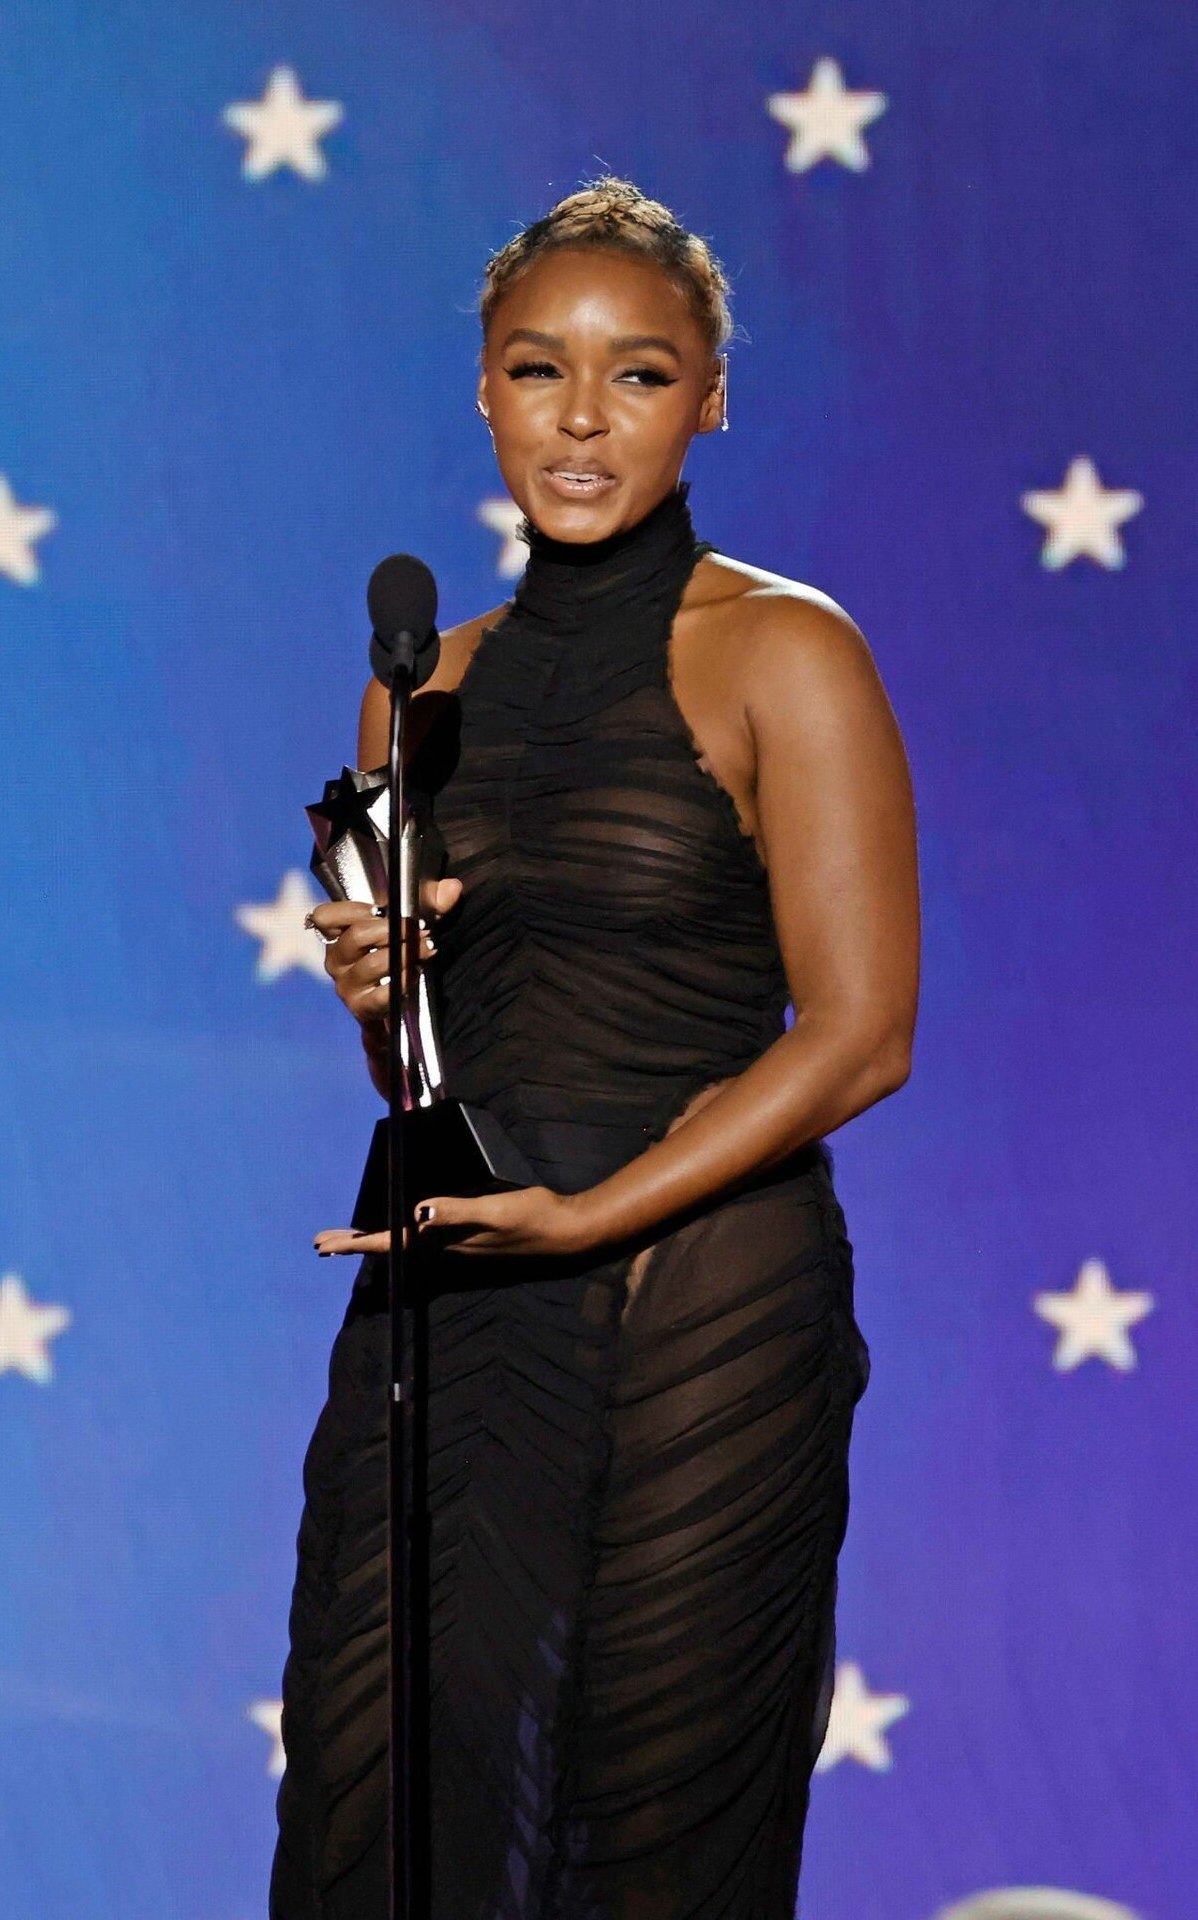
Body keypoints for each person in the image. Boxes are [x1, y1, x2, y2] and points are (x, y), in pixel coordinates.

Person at [271, 176, 920, 1920]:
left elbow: (863, 1035)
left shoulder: (785, 651)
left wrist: (595, 1217)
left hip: (697, 1306)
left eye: (638, 373)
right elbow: (434, 1071)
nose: (580, 418)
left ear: (711, 398)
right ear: (482, 392)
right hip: (461, 1301)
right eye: (535, 369)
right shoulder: (417, 686)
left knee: (646, 1840)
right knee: (387, 1807)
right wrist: (383, 1002)